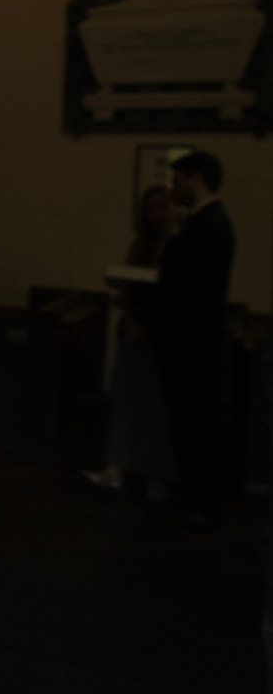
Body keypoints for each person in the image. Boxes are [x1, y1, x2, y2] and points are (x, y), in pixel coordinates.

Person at [151, 151, 235, 529]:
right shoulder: (207, 223)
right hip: (193, 341)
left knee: (194, 423)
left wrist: (172, 237)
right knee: (190, 422)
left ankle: (200, 504)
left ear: (195, 179)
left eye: (178, 179)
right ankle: (195, 499)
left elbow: (188, 287)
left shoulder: (210, 225)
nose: (174, 188)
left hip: (192, 343)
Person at [84, 184, 178, 495]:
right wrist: (122, 288)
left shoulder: (179, 244)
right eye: (150, 208)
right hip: (135, 328)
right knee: (127, 400)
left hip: (163, 335)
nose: (156, 214)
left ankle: (157, 475)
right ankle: (118, 466)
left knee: (158, 406)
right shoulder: (141, 244)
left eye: (162, 206)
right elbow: (132, 286)